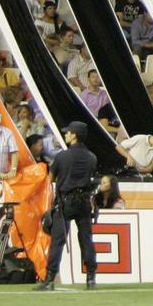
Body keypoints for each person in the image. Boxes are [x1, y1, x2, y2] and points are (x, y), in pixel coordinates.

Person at [37, 121, 100, 291]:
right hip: (84, 202)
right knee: (86, 239)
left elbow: (51, 178)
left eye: (68, 132)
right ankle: (91, 278)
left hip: (65, 201)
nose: (65, 135)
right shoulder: (92, 157)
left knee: (57, 241)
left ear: (74, 135)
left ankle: (50, 279)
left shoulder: (62, 156)